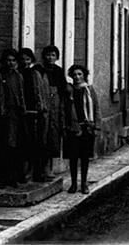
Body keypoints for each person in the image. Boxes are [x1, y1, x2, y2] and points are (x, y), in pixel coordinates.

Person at [0, 49, 27, 187]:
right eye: (8, 60)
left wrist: (22, 109)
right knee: (3, 146)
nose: (10, 63)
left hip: (16, 115)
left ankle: (13, 177)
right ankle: (2, 178)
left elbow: (21, 94)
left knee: (15, 147)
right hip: (3, 115)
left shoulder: (18, 76)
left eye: (13, 60)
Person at [38, 46, 76, 180]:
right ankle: (39, 170)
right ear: (44, 56)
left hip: (55, 107)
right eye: (48, 55)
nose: (50, 58)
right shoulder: (38, 70)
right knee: (41, 136)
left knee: (53, 136)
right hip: (43, 106)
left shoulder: (58, 71)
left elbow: (63, 89)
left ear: (57, 57)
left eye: (53, 55)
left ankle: (48, 169)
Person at [65, 64, 100, 194]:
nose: (77, 77)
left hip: (87, 127)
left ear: (84, 75)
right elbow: (66, 108)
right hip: (73, 127)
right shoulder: (69, 90)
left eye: (80, 74)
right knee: (73, 157)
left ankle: (84, 184)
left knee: (84, 157)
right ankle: (73, 184)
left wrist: (97, 126)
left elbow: (96, 108)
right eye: (74, 75)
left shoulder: (90, 90)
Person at [19, 48, 50, 181]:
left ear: (31, 60)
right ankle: (24, 172)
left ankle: (37, 172)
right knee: (23, 142)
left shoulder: (35, 74)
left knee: (37, 142)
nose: (25, 62)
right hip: (21, 112)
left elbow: (39, 92)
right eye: (23, 59)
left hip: (34, 112)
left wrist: (40, 108)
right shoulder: (18, 73)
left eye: (27, 59)